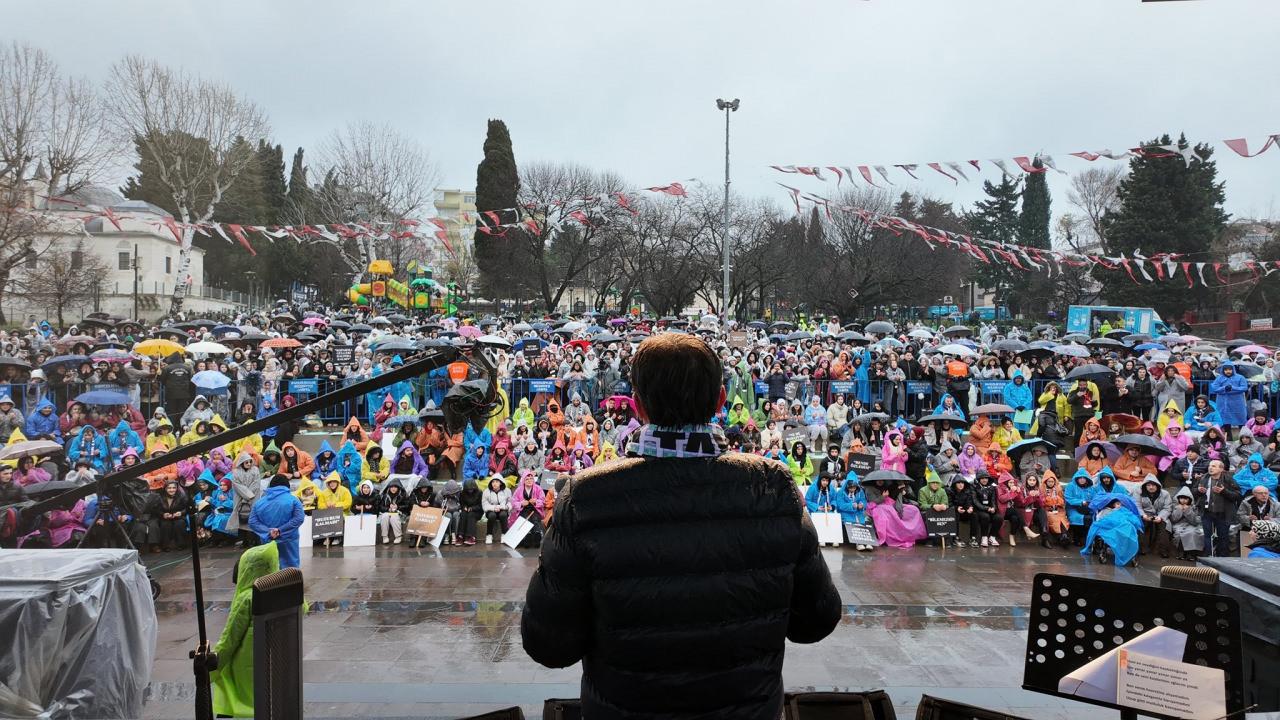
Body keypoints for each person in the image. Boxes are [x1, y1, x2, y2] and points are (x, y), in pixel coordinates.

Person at [522, 333, 841, 720]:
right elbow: (816, 620)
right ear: (721, 401)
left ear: (637, 406)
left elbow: (548, 644)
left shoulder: (586, 497)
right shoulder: (771, 487)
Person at [211, 541, 280, 718]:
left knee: (228, 685)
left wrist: (214, 665)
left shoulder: (247, 599)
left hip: (247, 665)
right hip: (279, 663)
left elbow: (231, 637)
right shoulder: (284, 592)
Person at [249, 474, 305, 569]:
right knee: (291, 571)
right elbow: (299, 518)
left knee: (270, 569)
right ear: (287, 486)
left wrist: (268, 532)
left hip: (268, 540)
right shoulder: (293, 500)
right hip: (289, 540)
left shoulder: (259, 503)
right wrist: (280, 530)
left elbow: (252, 522)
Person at [1195, 459, 1242, 557]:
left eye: (1214, 466)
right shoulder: (1203, 478)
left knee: (1223, 537)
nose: (1210, 468)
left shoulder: (1229, 479)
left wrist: (1223, 491)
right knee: (1207, 536)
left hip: (1223, 513)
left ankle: (1222, 558)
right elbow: (1194, 492)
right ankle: (1208, 557)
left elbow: (1237, 495)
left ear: (1221, 469)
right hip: (1207, 512)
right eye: (1210, 466)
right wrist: (1199, 491)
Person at [1169, 487, 1204, 561]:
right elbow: (1173, 519)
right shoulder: (1175, 507)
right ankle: (1181, 552)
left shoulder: (1194, 507)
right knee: (1179, 533)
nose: (1183, 501)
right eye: (1181, 498)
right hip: (1178, 525)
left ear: (1190, 499)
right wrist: (1179, 510)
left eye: (1186, 499)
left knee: (1192, 533)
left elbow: (1195, 521)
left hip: (1190, 525)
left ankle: (1190, 553)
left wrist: (1187, 510)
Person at [378, 478, 410, 544]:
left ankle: (398, 536)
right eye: (392, 487)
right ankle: (385, 536)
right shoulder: (385, 495)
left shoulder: (403, 494)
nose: (393, 488)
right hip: (387, 512)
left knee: (394, 517)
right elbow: (380, 507)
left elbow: (407, 506)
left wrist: (398, 507)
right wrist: (388, 509)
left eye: (395, 487)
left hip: (400, 513)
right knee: (384, 516)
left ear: (398, 488)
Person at [481, 475, 512, 544]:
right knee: (492, 516)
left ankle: (504, 534)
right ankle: (489, 535)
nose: (494, 484)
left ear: (500, 483)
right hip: (491, 511)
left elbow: (510, 502)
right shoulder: (486, 491)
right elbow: (484, 505)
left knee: (503, 515)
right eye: (493, 482)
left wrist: (504, 507)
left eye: (497, 482)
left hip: (503, 509)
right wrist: (493, 508)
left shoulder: (507, 491)